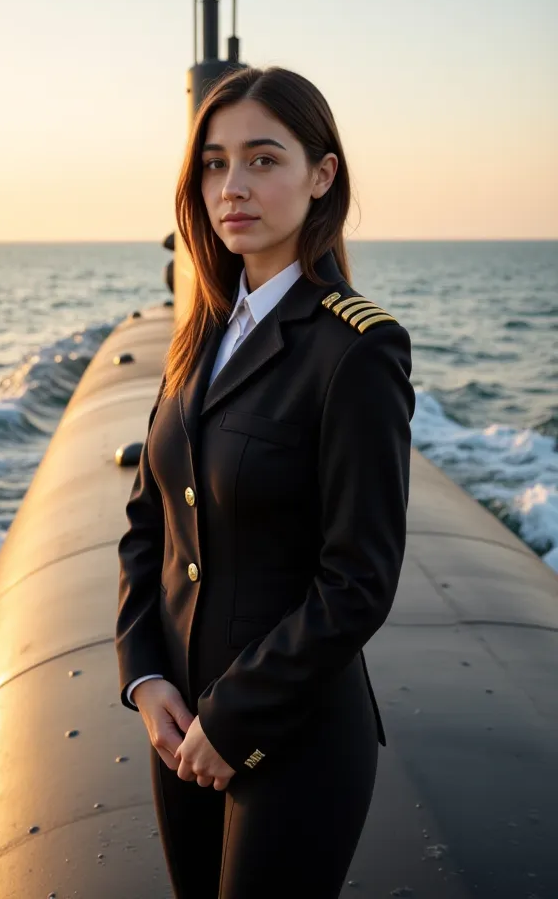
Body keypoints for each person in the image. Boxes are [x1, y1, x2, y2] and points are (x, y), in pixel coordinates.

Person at [115, 65, 415, 899]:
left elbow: (358, 581)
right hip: (177, 727)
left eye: (262, 159)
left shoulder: (355, 350)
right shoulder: (203, 331)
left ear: (322, 177)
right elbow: (150, 526)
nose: (232, 186)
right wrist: (145, 681)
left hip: (294, 735)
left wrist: (233, 718)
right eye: (213, 163)